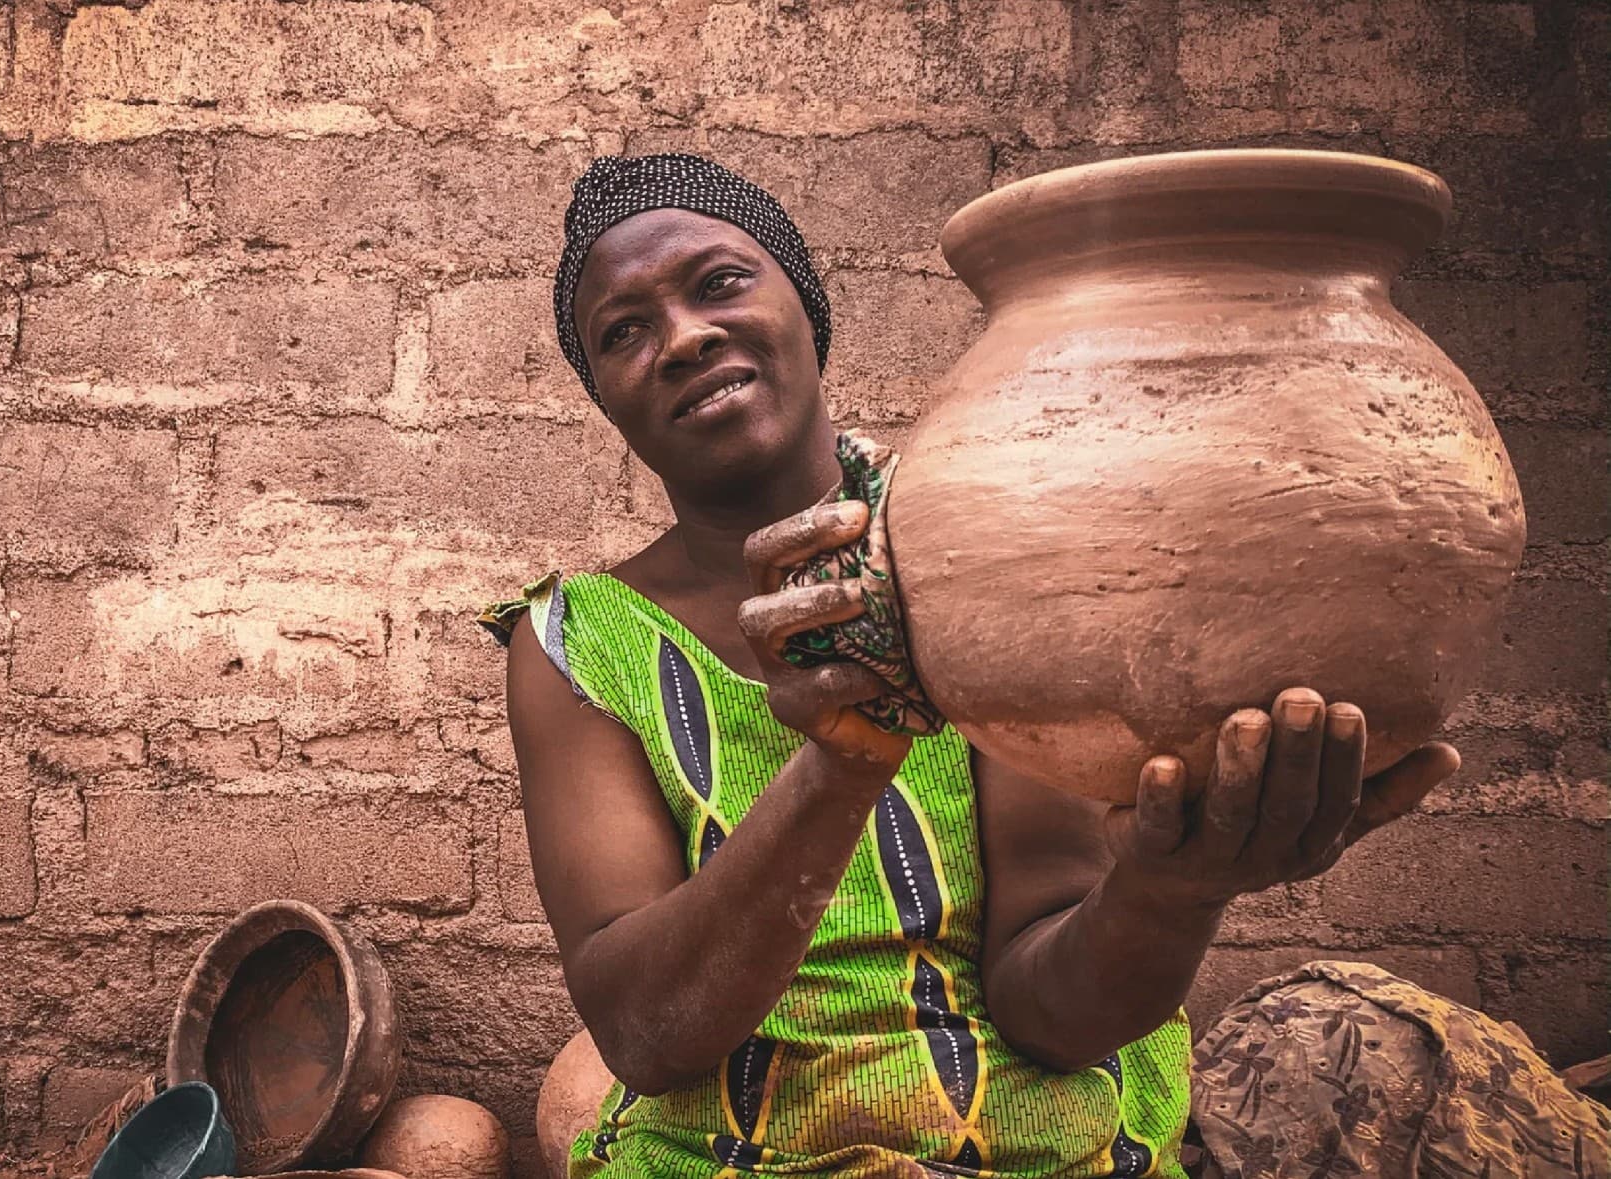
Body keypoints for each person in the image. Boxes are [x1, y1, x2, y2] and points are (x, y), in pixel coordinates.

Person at [480, 153, 1611, 1178]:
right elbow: (644, 1034)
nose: (680, 337)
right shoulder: (575, 643)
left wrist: (1175, 888)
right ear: (603, 397)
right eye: (622, 332)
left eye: (719, 282)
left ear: (804, 307)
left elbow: (1050, 1009)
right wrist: (843, 765)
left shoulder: (989, 556)